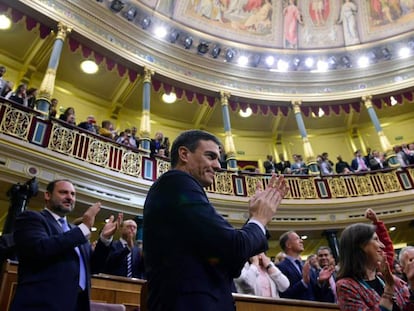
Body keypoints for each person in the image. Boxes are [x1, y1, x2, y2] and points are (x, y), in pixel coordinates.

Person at [143, 129, 288, 311]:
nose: (218, 165)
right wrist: (259, 219)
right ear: (184, 154)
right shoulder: (177, 183)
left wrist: (255, 218)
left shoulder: (181, 188)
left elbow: (231, 260)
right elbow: (233, 248)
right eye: (210, 156)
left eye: (218, 158)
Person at [10, 179, 122, 311]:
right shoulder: (31, 218)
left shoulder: (74, 230)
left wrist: (104, 239)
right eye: (63, 192)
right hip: (41, 304)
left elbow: (93, 267)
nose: (69, 197)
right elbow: (39, 249)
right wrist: (84, 228)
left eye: (73, 194)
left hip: (76, 304)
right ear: (47, 195)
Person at [336, 223, 410, 311]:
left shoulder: (385, 278)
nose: (382, 245)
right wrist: (388, 290)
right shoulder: (346, 286)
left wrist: (412, 281)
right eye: (376, 239)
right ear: (361, 245)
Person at [277, 231, 315, 301]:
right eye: (297, 239)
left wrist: (321, 282)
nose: (301, 241)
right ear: (288, 245)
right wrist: (303, 283)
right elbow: (284, 294)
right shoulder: (280, 267)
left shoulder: (305, 265)